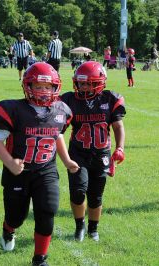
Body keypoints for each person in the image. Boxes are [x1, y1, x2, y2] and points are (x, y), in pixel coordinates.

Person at [0, 62, 79, 266]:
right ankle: (8, 229)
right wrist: (10, 162)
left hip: (45, 169)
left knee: (48, 209)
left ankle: (40, 259)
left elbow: (57, 136)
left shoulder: (61, 111)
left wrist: (66, 160)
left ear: (55, 88)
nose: (43, 91)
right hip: (18, 171)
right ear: (27, 86)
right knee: (16, 217)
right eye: (38, 86)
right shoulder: (14, 109)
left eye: (47, 87)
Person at [60, 61, 126, 242]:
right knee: (78, 191)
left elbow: (118, 126)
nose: (83, 86)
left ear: (99, 81)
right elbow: (58, 129)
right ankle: (79, 226)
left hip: (101, 153)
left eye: (88, 83)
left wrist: (120, 147)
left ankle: (93, 229)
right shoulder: (69, 100)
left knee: (96, 195)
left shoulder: (109, 99)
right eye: (81, 83)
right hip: (78, 153)